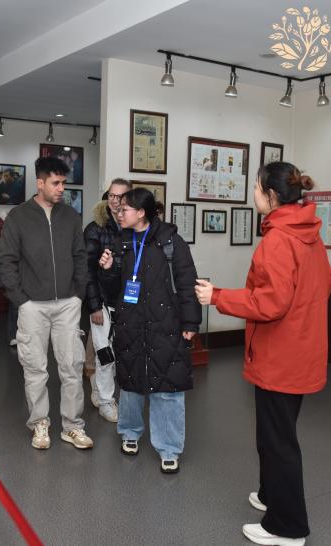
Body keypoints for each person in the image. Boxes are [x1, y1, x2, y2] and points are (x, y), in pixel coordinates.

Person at [195, 162, 331, 546]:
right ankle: (272, 494)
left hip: (280, 355)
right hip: (300, 349)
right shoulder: (308, 233)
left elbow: (270, 302)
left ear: (271, 196)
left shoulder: (278, 240)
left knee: (278, 441)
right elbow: (324, 282)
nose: (253, 194)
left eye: (256, 188)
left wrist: (217, 297)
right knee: (275, 433)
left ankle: (287, 527)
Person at [98, 188, 201, 474]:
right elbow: (113, 292)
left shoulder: (171, 242)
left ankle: (169, 448)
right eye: (118, 209)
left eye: (124, 209)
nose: (119, 213)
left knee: (167, 386)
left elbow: (187, 283)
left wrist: (191, 323)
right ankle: (129, 432)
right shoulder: (120, 242)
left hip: (165, 324)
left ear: (141, 213)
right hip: (130, 323)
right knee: (130, 382)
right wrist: (107, 271)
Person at [0, 156, 92, 450]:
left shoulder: (71, 216)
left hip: (68, 303)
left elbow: (80, 256)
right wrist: (21, 300)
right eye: (56, 183)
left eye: (64, 183)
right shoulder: (18, 217)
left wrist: (78, 294)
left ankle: (72, 426)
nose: (61, 188)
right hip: (32, 306)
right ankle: (40, 423)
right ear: (40, 183)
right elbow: (7, 261)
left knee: (72, 367)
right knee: (35, 368)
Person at [82, 179, 131, 423]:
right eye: (111, 195)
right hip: (101, 301)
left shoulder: (134, 227)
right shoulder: (95, 229)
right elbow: (87, 271)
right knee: (104, 354)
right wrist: (94, 306)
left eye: (120, 196)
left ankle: (100, 388)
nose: (114, 200)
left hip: (127, 302)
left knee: (122, 353)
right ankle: (105, 401)